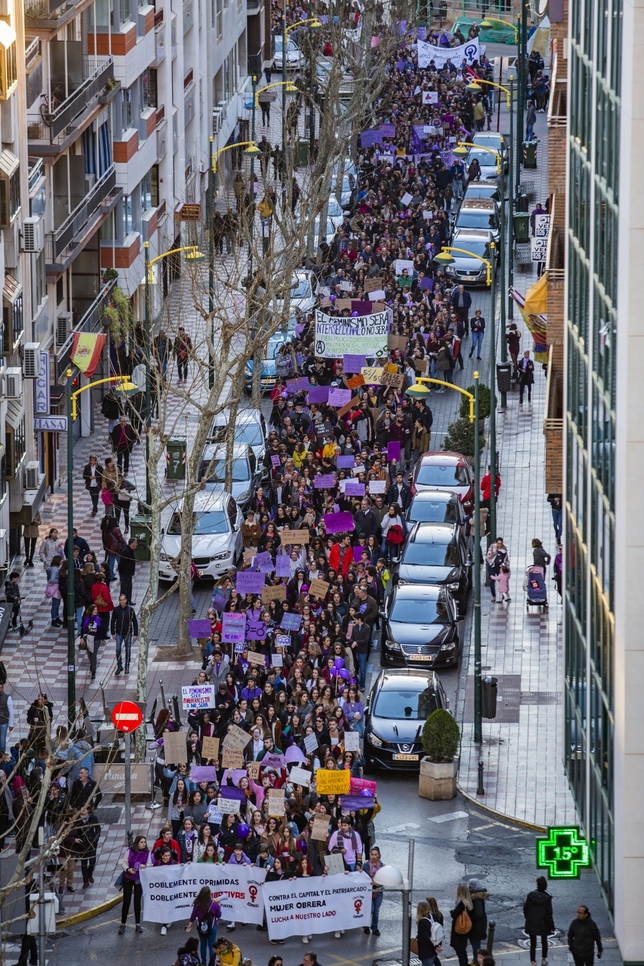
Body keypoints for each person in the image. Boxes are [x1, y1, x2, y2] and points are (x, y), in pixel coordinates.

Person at [118, 834, 149, 933]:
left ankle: (138, 924)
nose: (143, 844)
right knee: (126, 901)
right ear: (137, 843)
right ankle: (123, 924)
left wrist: (145, 866)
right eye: (141, 842)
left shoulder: (147, 853)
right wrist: (128, 869)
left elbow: (150, 864)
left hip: (139, 879)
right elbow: (124, 862)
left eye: (144, 842)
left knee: (137, 902)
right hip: (128, 878)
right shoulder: (129, 851)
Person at [186, 885, 222, 966]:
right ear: (209, 894)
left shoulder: (197, 904)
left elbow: (193, 916)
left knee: (203, 945)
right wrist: (219, 906)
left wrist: (189, 926)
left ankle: (203, 962)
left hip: (201, 928)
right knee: (211, 945)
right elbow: (219, 915)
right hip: (212, 927)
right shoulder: (214, 904)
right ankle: (212, 963)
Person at [523, 876, 555, 966]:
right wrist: (551, 927)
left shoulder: (531, 895)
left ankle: (533, 962)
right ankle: (544, 959)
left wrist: (528, 918)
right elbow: (549, 914)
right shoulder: (547, 898)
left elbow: (525, 909)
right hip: (543, 923)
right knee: (544, 941)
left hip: (532, 922)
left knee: (533, 943)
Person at [110, 594, 138, 676]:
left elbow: (135, 622)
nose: (122, 601)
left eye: (123, 600)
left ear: (126, 600)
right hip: (119, 633)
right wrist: (113, 632)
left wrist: (135, 634)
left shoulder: (130, 610)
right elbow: (112, 622)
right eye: (120, 600)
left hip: (128, 633)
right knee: (118, 649)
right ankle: (119, 666)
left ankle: (127, 666)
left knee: (128, 650)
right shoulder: (116, 610)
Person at [76, 806, 101, 888]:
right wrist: (79, 840)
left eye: (84, 810)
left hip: (91, 843)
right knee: (84, 863)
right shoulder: (78, 820)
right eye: (81, 810)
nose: (83, 812)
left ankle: (89, 874)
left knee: (92, 861)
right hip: (82, 844)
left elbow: (98, 830)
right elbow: (76, 832)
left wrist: (95, 839)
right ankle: (85, 881)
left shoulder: (93, 818)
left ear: (88, 810)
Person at [450, 884, 473, 966]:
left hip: (459, 931)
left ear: (460, 892)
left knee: (460, 952)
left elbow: (454, 915)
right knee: (462, 950)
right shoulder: (468, 902)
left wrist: (452, 912)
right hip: (465, 931)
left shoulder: (461, 904)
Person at [363, 846, 383, 936]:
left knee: (376, 911)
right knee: (370, 909)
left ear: (379, 855)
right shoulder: (366, 866)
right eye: (372, 855)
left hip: (378, 891)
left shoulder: (382, 866)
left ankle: (374, 927)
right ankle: (365, 925)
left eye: (376, 854)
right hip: (369, 891)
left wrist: (377, 882)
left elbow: (384, 878)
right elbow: (363, 878)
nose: (374, 856)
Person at [415, 898, 442, 966]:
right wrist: (438, 946)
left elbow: (425, 938)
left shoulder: (422, 922)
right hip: (434, 948)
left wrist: (434, 949)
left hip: (427, 952)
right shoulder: (433, 916)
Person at [468, 878, 489, 959]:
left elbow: (479, 914)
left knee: (476, 947)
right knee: (476, 946)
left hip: (476, 928)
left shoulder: (476, 899)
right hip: (478, 926)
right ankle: (477, 961)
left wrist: (470, 919)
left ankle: (478, 962)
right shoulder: (478, 897)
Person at [118, 538, 138, 604]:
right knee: (124, 588)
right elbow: (122, 563)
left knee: (129, 588)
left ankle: (128, 600)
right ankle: (123, 602)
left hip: (128, 573)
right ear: (132, 543)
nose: (137, 544)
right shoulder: (126, 551)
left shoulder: (130, 550)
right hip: (125, 573)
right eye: (136, 543)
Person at [0, 682, 14, 754]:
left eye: (0, 688)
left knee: (2, 741)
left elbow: (11, 711)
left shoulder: (7, 697)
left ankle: (2, 757)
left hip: (3, 722)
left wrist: (11, 724)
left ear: (3, 688)